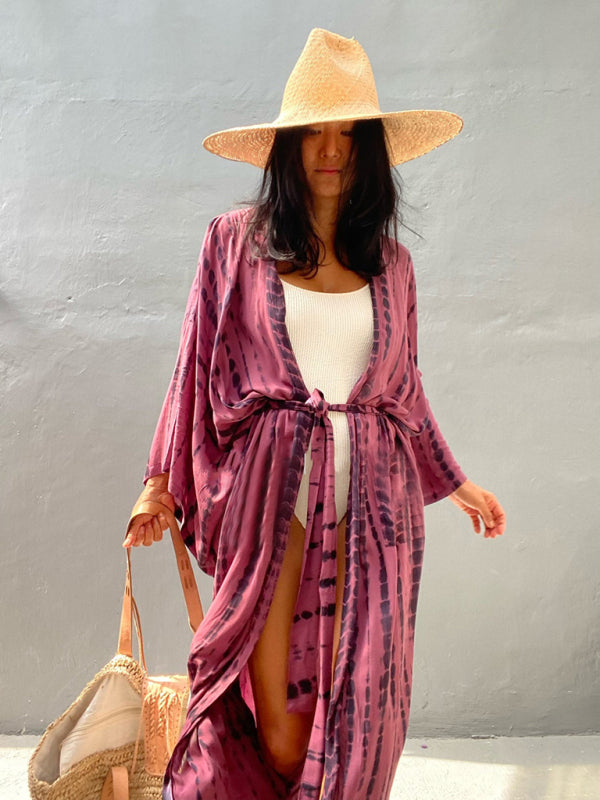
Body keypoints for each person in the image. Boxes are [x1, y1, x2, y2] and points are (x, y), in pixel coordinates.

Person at [122, 28, 506, 800]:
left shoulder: (392, 267)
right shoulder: (234, 243)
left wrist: (456, 481)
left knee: (357, 711)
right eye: (314, 133)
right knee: (282, 732)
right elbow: (194, 363)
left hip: (375, 504)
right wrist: (159, 481)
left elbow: (404, 389)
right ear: (288, 147)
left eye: (349, 134)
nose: (331, 150)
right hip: (272, 498)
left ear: (371, 153)